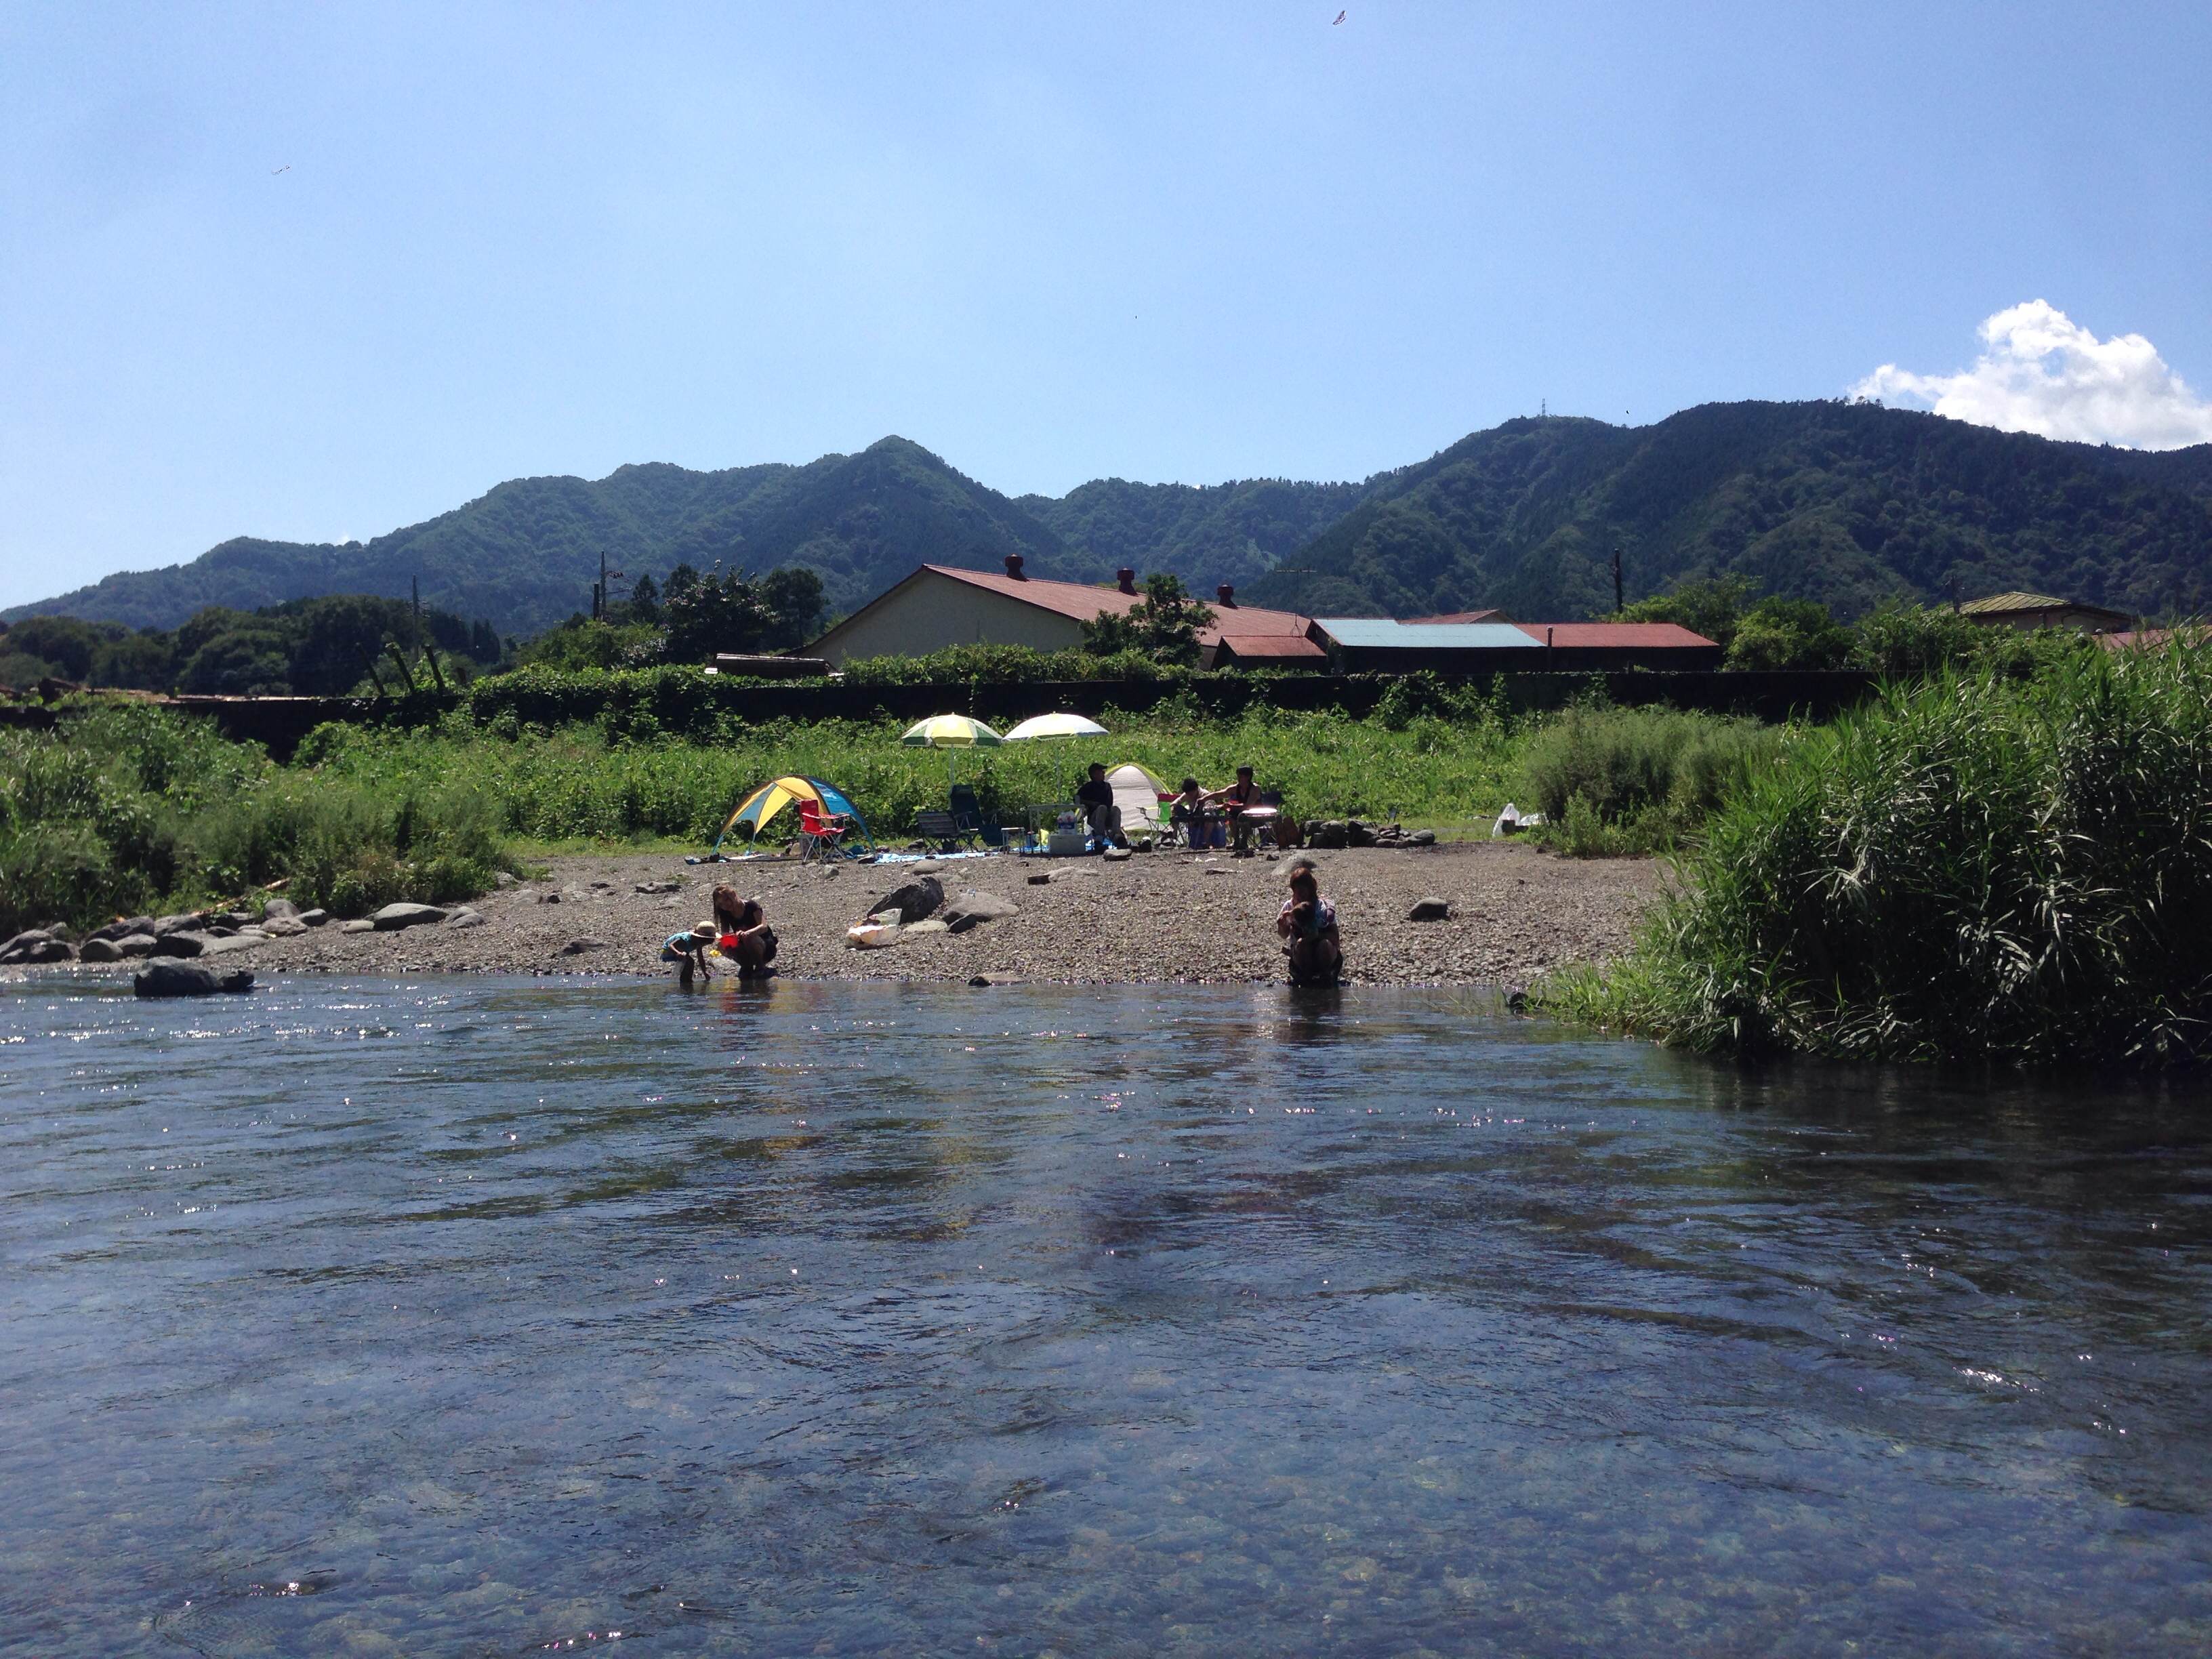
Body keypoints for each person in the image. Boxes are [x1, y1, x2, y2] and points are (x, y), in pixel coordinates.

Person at [1276, 857, 1343, 987]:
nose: (1300, 896)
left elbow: (1335, 938)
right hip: (1302, 957)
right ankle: (1305, 977)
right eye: (1297, 892)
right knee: (1302, 946)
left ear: (1311, 889)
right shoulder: (1289, 906)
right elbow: (1284, 935)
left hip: (1325, 955)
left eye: (1303, 892)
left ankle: (1326, 975)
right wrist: (1282, 926)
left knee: (1323, 945)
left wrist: (1313, 936)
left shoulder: (1322, 907)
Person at [710, 885, 778, 977]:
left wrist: (747, 933)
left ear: (733, 894)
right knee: (727, 942)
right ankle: (746, 966)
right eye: (721, 904)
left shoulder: (751, 906)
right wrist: (724, 943)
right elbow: (725, 933)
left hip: (765, 947)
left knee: (749, 938)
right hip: (745, 948)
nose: (725, 906)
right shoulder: (725, 913)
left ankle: (760, 966)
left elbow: (764, 927)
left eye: (726, 900)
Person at [1204, 764, 1264, 855]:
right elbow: (1219, 794)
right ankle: (1237, 841)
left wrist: (1230, 805)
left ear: (1248, 777)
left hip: (1257, 816)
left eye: (1241, 776)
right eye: (1238, 776)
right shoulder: (1235, 788)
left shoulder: (1255, 789)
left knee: (1243, 817)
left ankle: (1244, 842)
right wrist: (1203, 799)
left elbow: (1247, 806)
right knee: (1231, 816)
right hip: (1242, 814)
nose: (1238, 779)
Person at [1075, 762, 1126, 848]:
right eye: (1101, 772)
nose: (1104, 773)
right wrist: (1091, 803)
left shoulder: (1107, 786)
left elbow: (1110, 802)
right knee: (1102, 808)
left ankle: (1117, 835)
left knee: (1116, 809)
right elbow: (1077, 799)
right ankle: (1099, 837)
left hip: (1107, 815)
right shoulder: (1088, 787)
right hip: (1094, 818)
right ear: (1094, 774)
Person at [661, 920, 717, 987]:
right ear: (699, 938)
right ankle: (685, 983)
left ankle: (687, 982)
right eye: (704, 943)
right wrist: (678, 953)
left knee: (689, 962)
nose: (703, 945)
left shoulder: (699, 943)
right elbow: (671, 945)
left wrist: (705, 972)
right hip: (669, 951)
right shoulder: (685, 939)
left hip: (682, 951)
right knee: (689, 962)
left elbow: (700, 957)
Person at [1169, 776, 1211, 850]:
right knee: (1176, 809)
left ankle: (1205, 841)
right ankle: (1174, 832)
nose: (1189, 796)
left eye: (1191, 794)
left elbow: (1210, 807)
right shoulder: (1187, 794)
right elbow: (1177, 801)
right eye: (1187, 794)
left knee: (1208, 817)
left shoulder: (1204, 794)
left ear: (1196, 789)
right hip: (1190, 814)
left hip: (1202, 815)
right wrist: (1174, 806)